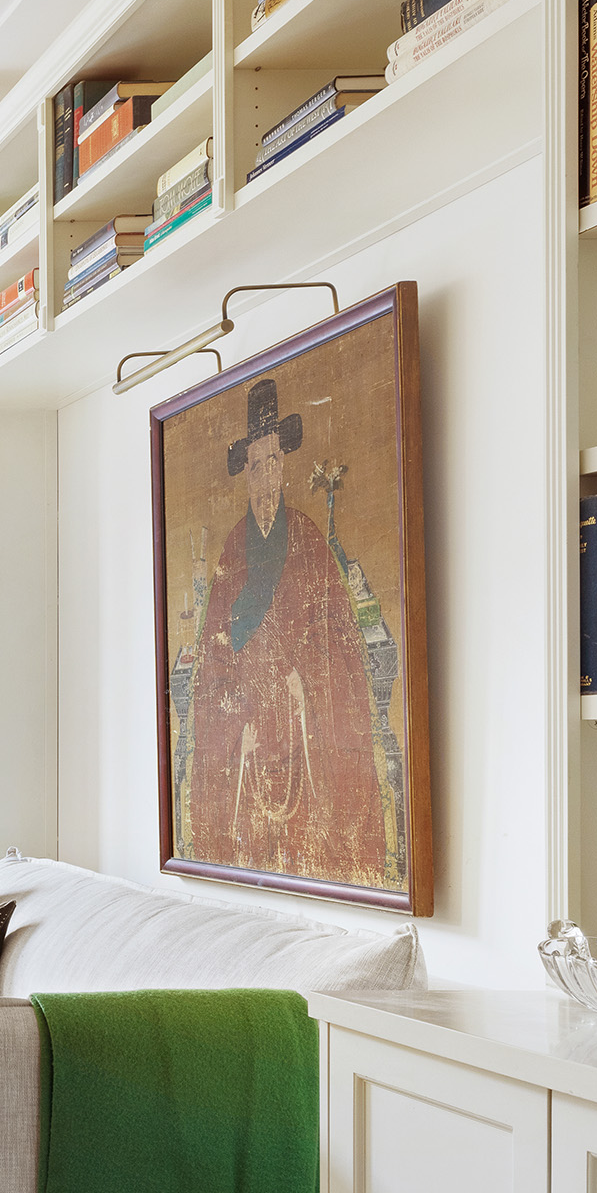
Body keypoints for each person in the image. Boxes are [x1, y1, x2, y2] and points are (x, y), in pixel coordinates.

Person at [183, 377, 393, 885]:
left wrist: (309, 679)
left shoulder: (308, 539)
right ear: (246, 475)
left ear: (284, 465)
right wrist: (233, 723)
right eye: (255, 466)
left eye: (273, 461)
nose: (265, 477)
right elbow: (214, 651)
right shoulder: (232, 552)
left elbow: (339, 633)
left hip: (302, 719)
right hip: (250, 722)